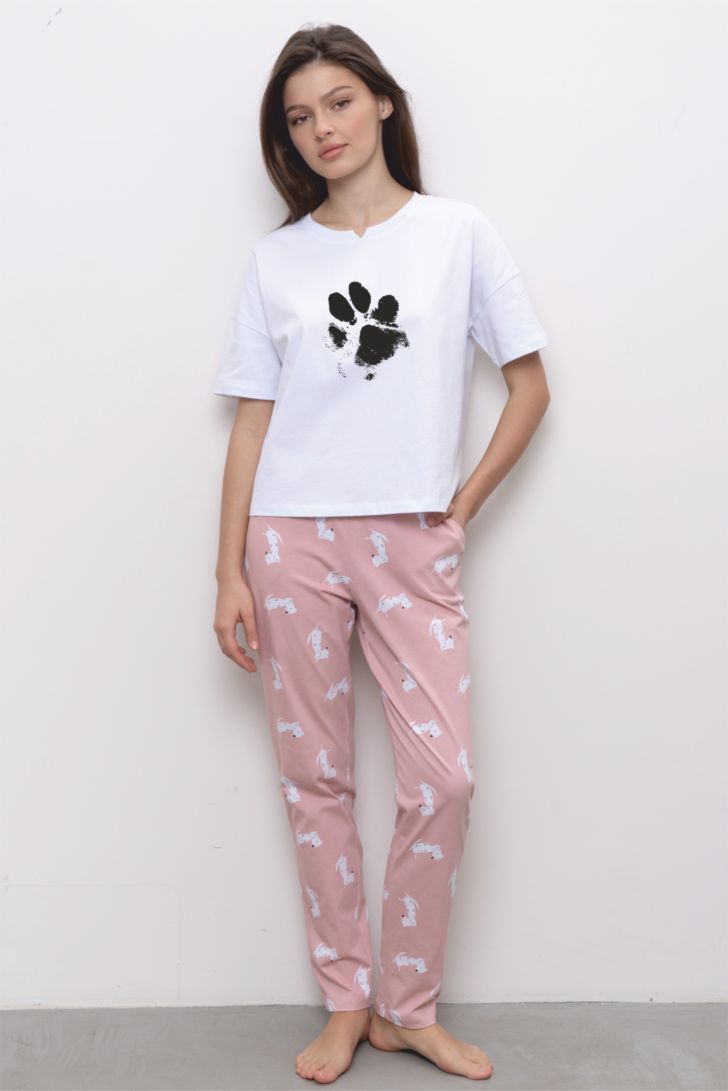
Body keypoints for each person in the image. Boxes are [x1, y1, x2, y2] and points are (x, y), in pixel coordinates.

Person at [212, 22, 550, 1085]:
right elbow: (253, 424)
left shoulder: (457, 233)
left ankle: (408, 1004)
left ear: (383, 102)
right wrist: (227, 570)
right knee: (313, 777)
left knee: (442, 778)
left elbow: (530, 385)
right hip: (290, 537)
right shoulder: (275, 259)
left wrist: (458, 507)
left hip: (410, 533)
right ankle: (347, 1000)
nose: (321, 128)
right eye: (299, 117)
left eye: (339, 103)